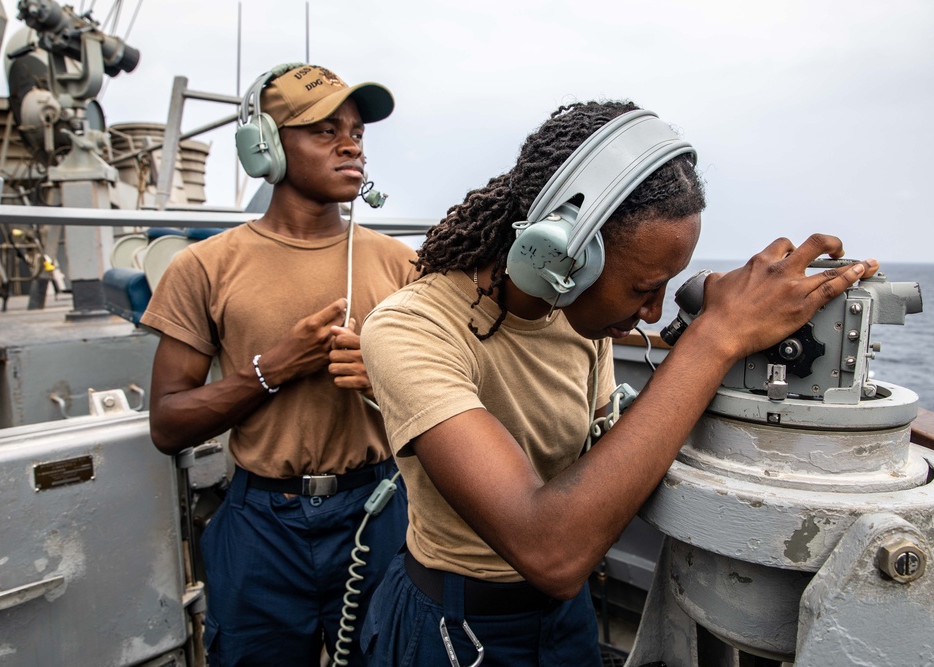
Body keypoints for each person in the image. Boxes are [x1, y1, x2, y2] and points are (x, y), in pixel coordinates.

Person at [357, 100, 880, 665]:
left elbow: (603, 458)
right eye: (641, 289)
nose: (653, 313)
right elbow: (549, 549)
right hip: (456, 627)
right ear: (563, 255)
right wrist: (715, 338)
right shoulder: (411, 328)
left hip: (565, 619)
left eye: (666, 287)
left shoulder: (581, 313)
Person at [141, 63, 415, 667]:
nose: (351, 144)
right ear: (263, 144)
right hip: (261, 524)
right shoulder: (204, 267)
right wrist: (273, 370)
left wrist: (387, 380)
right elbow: (168, 425)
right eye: (324, 130)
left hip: (378, 506)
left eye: (357, 132)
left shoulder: (402, 266)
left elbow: (455, 391)